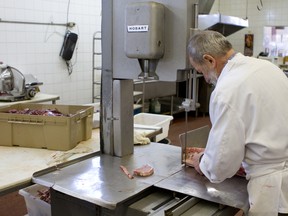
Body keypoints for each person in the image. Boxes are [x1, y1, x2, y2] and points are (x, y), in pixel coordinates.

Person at [188, 30, 288, 216]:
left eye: (201, 71)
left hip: (274, 191)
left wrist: (202, 161)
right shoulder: (268, 68)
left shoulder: (227, 90)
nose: (206, 79)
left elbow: (221, 165)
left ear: (210, 60)